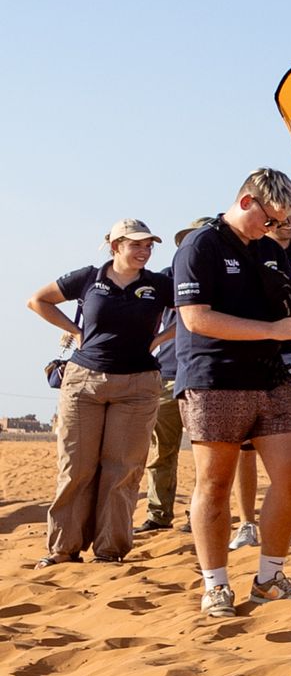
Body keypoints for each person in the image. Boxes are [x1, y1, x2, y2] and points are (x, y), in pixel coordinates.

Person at [172, 168, 291, 618]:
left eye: (281, 222)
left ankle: (269, 579)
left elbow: (288, 303)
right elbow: (196, 319)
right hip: (213, 378)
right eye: (270, 219)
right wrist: (273, 330)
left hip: (271, 375)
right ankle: (216, 584)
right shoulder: (199, 246)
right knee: (215, 482)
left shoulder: (268, 252)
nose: (274, 229)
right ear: (246, 203)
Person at [25, 219, 174, 567]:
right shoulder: (89, 278)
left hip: (138, 385)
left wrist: (160, 340)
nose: (144, 251)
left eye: (149, 245)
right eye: (136, 244)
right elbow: (37, 301)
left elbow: (195, 310)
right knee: (76, 466)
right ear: (116, 246)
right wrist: (75, 332)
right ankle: (63, 549)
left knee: (122, 470)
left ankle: (109, 550)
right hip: (83, 382)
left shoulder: (159, 285)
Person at [231, 209, 291, 548]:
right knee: (244, 446)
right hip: (248, 356)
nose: (287, 222)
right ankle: (246, 524)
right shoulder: (247, 247)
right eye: (281, 216)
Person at [137, 216, 217, 534]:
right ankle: (158, 515)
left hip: (206, 375)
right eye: (192, 239)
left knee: (207, 452)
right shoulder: (165, 278)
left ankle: (197, 516)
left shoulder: (226, 278)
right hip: (168, 373)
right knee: (161, 450)